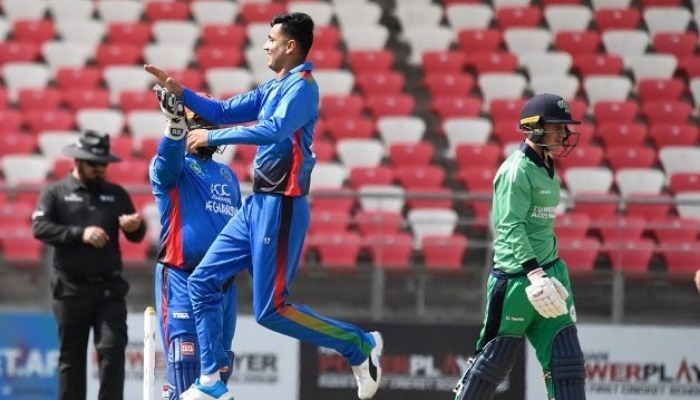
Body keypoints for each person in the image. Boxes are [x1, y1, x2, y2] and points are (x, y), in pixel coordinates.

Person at [145, 11, 383, 400]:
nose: (265, 44)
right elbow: (220, 110)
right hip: (257, 204)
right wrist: (180, 91)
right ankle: (210, 382)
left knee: (271, 311)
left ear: (290, 45)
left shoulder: (303, 88)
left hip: (282, 206)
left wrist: (211, 136)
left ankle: (358, 345)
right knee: (204, 281)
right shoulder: (274, 87)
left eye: (271, 38)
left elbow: (272, 129)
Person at [453, 93, 586, 400]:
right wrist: (535, 274)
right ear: (534, 128)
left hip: (551, 275)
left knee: (567, 365)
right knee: (492, 367)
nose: (564, 134)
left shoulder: (548, 167)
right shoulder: (516, 171)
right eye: (557, 127)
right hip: (518, 281)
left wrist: (548, 273)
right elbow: (510, 226)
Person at [32, 130, 146, 400]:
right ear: (78, 161)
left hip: (109, 289)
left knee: (112, 349)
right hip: (70, 289)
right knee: (71, 356)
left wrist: (136, 227)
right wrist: (79, 234)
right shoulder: (56, 192)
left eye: (103, 164)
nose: (100, 169)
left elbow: (136, 234)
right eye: (94, 163)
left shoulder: (116, 194)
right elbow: (40, 227)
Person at [150, 85, 243, 400]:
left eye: (210, 123)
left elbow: (239, 229)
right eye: (198, 121)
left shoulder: (228, 176)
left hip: (223, 287)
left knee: (217, 373)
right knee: (186, 366)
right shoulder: (175, 169)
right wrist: (174, 127)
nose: (206, 129)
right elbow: (166, 162)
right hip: (181, 278)